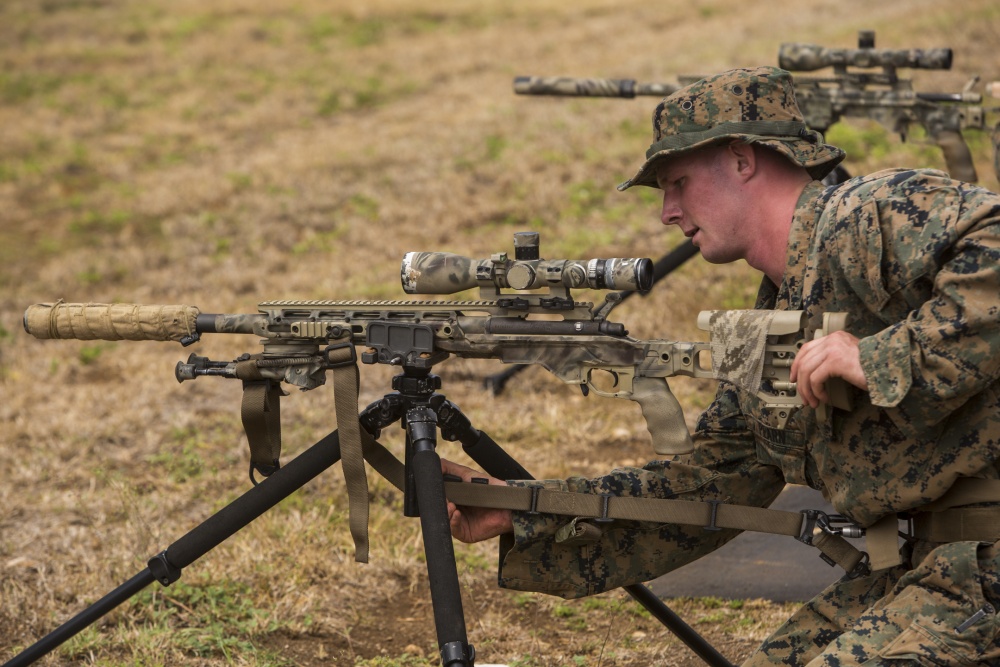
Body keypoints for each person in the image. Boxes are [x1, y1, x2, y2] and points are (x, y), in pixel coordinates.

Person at [442, 66, 1000, 665]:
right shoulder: (775, 315)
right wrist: (524, 509)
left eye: (678, 182)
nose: (668, 213)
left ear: (741, 160)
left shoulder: (859, 216)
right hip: (922, 571)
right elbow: (704, 488)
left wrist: (882, 358)